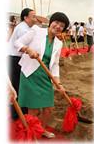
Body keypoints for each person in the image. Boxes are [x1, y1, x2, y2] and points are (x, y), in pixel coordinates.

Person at [15, 12, 70, 140]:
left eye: (62, 26)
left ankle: (42, 129)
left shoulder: (58, 43)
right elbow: (17, 43)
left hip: (45, 76)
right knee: (34, 109)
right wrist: (28, 50)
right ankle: (31, 133)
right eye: (56, 22)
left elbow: (55, 64)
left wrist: (58, 83)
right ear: (51, 22)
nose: (58, 26)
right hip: (30, 74)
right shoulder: (36, 31)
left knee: (48, 108)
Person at [8, 8, 40, 119]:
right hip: (15, 59)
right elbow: (28, 44)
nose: (35, 18)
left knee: (19, 85)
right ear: (25, 17)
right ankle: (16, 113)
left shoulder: (28, 27)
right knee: (17, 86)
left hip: (18, 59)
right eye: (33, 16)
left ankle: (21, 110)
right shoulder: (23, 29)